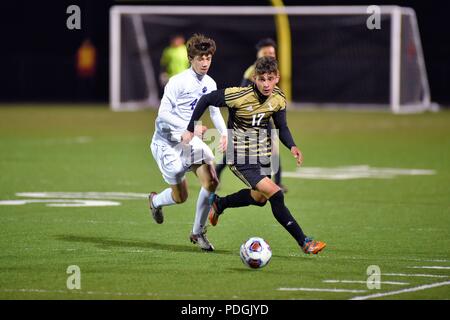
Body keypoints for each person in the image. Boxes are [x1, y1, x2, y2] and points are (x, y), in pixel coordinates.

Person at [181, 56, 326, 254]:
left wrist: (292, 146)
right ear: (254, 79)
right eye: (262, 79)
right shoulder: (238, 95)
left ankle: (220, 203)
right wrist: (190, 128)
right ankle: (305, 242)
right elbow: (206, 99)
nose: (266, 84)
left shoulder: (278, 98)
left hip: (262, 154)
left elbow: (281, 127)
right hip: (239, 156)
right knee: (276, 194)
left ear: (277, 78)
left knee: (260, 198)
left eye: (270, 78)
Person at [149, 34, 227, 251]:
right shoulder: (178, 82)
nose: (205, 63)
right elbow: (162, 114)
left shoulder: (210, 83)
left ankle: (197, 232)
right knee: (180, 196)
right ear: (191, 58)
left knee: (211, 181)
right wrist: (186, 127)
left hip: (189, 140)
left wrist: (224, 134)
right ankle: (155, 201)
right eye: (200, 58)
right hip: (167, 143)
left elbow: (214, 112)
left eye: (208, 58)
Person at [215, 38, 287, 193]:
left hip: (265, 116)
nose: (269, 55)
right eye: (266, 52)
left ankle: (278, 183)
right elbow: (240, 98)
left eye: (272, 52)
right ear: (258, 54)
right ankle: (217, 171)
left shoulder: (272, 70)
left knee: (273, 147)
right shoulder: (251, 72)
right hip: (250, 119)